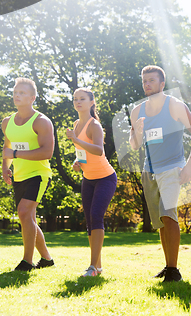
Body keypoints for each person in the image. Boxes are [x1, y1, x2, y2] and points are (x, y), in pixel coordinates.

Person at [129, 65, 191, 282]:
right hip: (149, 170)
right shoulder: (137, 111)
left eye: (152, 80)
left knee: (167, 214)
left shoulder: (174, 105)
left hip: (173, 167)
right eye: (144, 81)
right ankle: (168, 265)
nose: (147, 84)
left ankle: (174, 270)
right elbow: (134, 145)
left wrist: (190, 165)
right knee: (160, 220)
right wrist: (137, 134)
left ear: (162, 84)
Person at [1, 77, 55, 271]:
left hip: (38, 174)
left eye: (22, 93)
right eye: (15, 92)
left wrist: (14, 154)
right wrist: (5, 168)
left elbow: (47, 152)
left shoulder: (41, 122)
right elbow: (6, 148)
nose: (17, 95)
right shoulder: (7, 122)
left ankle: (27, 262)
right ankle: (47, 259)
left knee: (24, 213)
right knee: (28, 218)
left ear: (33, 97)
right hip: (19, 175)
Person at [66, 88, 117, 277]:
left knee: (96, 216)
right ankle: (98, 266)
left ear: (91, 102)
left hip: (105, 178)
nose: (78, 102)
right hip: (88, 179)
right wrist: (77, 162)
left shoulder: (93, 125)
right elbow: (84, 152)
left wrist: (76, 139)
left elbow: (98, 151)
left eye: (82, 99)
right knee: (89, 221)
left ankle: (92, 267)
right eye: (75, 99)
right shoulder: (76, 124)